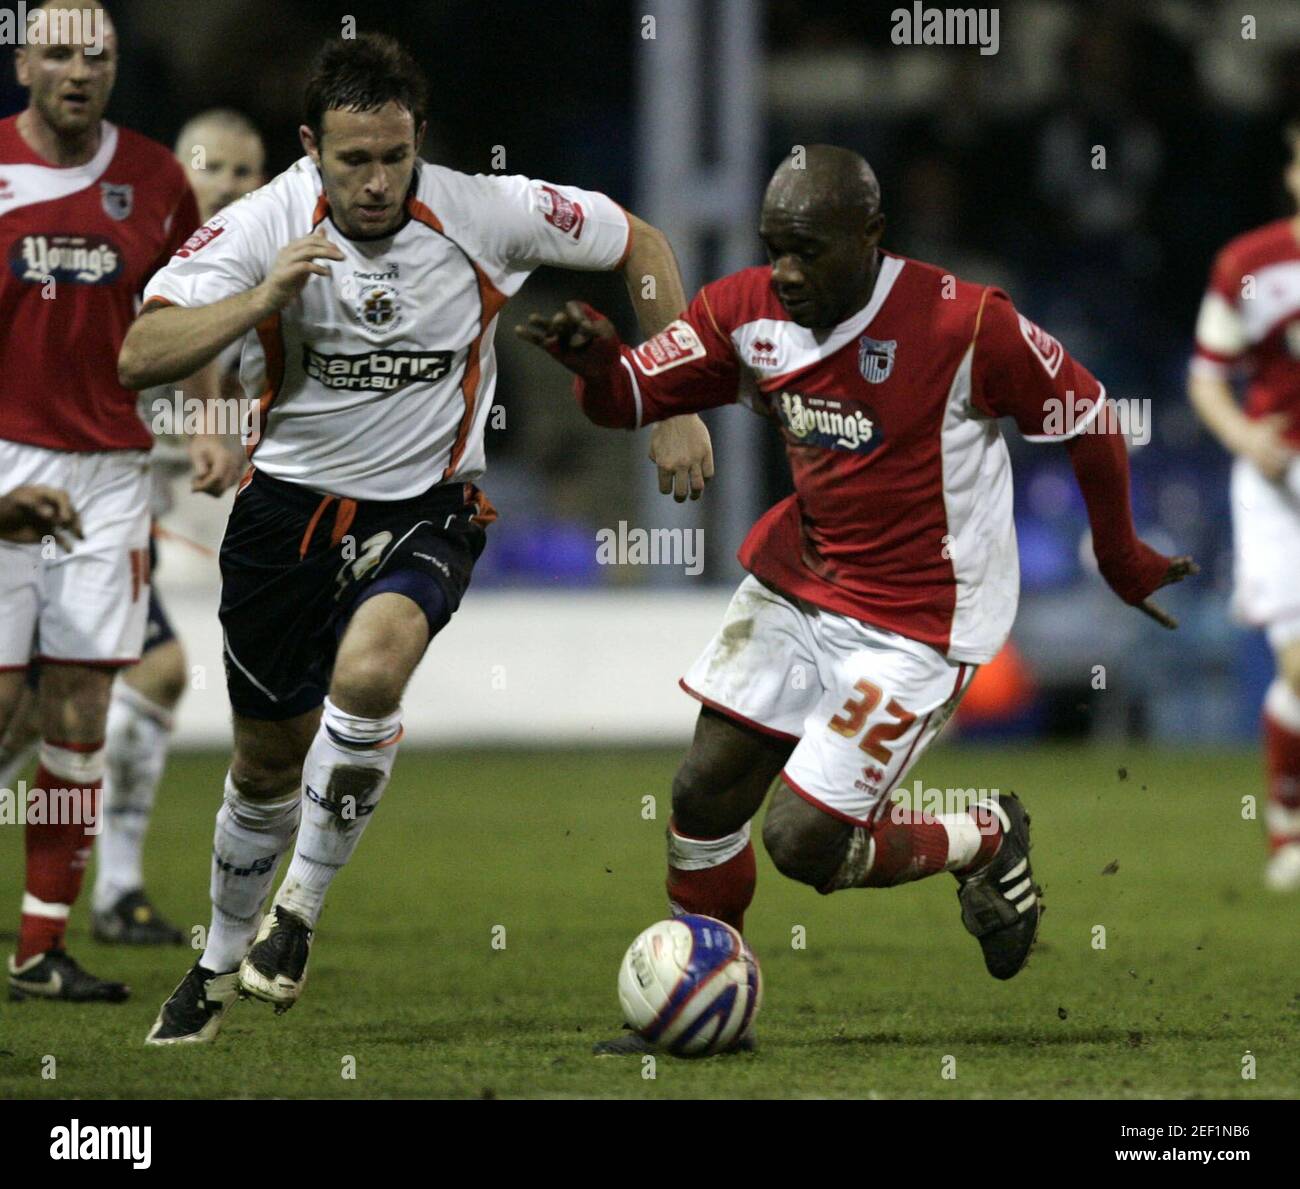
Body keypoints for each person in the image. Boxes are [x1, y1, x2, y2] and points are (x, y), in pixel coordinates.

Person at [521, 144, 1197, 1053]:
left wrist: (1120, 555)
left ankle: (983, 836)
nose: (787, 272)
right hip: (804, 582)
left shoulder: (965, 323)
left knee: (801, 843)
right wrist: (601, 365)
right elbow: (633, 398)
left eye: (809, 250)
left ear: (871, 238)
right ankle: (711, 998)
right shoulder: (746, 307)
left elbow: (1087, 413)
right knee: (704, 791)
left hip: (919, 622)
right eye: (775, 247)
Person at [121, 32, 712, 1045]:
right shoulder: (266, 223)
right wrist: (258, 299)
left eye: (394, 155)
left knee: (371, 669)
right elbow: (140, 350)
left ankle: (296, 916)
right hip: (283, 518)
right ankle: (218, 960)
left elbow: (641, 243)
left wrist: (669, 395)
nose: (376, 180)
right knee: (265, 766)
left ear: (419, 140)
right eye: (353, 159)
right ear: (311, 147)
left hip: (424, 511)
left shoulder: (483, 209)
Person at [0, 0, 238, 1003]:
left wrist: (210, 415)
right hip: (4, 459)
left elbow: (192, 311)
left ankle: (41, 948)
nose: (78, 70)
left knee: (81, 710)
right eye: (57, 52)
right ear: (22, 61)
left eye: (95, 54)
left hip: (108, 475)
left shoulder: (156, 179)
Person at [1188, 121, 1300, 891]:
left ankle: (1287, 824)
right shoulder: (1249, 265)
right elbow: (1206, 377)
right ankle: (1288, 831)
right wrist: (1241, 437)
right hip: (1277, 480)